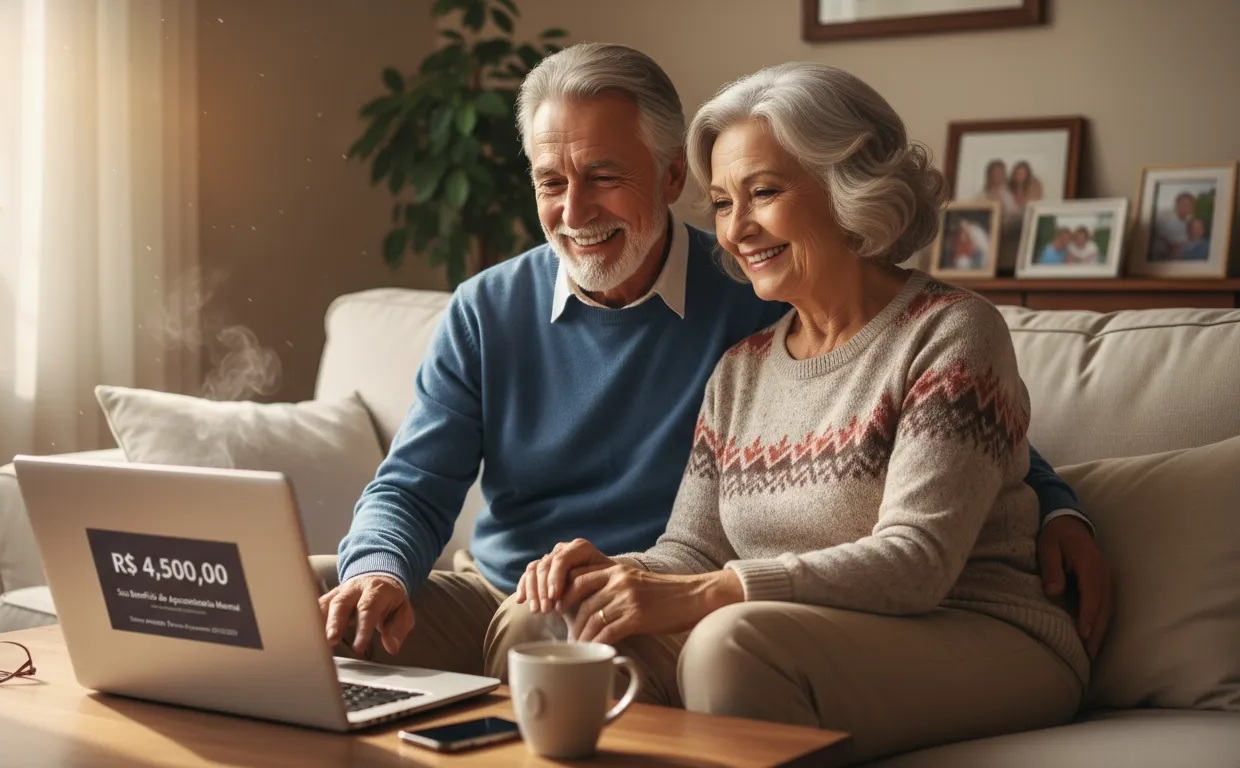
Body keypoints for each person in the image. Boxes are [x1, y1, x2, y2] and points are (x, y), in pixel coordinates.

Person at [318, 45, 1113, 705]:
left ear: (669, 180)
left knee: (583, 639)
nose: (574, 209)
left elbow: (951, 435)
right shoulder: (504, 313)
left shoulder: (753, 294)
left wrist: (1056, 502)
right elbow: (413, 485)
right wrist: (377, 570)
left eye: (603, 175)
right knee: (316, 608)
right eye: (551, 182)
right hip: (535, 586)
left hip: (694, 610)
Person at [515, 62, 1091, 764]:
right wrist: (608, 575)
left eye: (764, 192)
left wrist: (717, 592)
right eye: (723, 203)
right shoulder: (742, 369)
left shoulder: (951, 330)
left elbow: (918, 561)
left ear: (851, 189)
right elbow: (691, 552)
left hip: (981, 629)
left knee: (731, 645)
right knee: (554, 624)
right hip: (798, 630)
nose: (737, 229)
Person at [1153, 192, 1195, 259]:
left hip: (1184, 255)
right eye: (1183, 205)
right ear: (1177, 205)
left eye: (1189, 205)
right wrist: (1169, 246)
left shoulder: (1192, 220)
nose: (1186, 208)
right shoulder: (1163, 217)